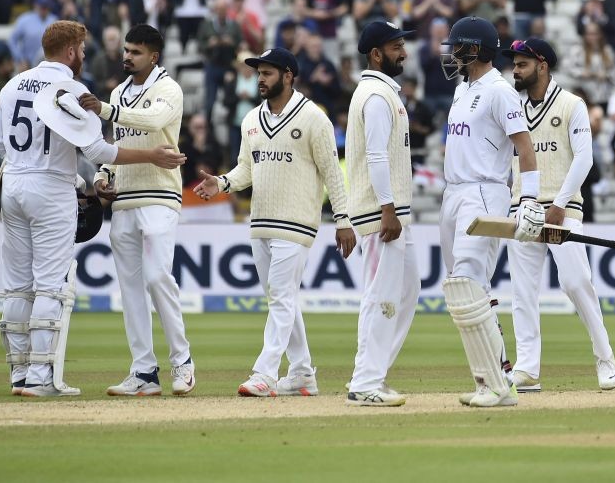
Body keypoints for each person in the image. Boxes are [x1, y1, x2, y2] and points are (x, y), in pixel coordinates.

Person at [0, 20, 185, 397]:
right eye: (80, 49)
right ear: (69, 51)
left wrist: (59, 172)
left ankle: (18, 374)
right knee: (50, 286)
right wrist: (149, 156)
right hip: (50, 191)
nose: (83, 55)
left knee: (16, 287)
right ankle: (42, 378)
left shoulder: (12, 84)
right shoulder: (71, 89)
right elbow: (98, 152)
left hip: (13, 188)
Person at [194, 47, 356, 397]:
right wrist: (221, 183)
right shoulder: (251, 119)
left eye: (267, 73)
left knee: (281, 297)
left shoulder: (314, 117)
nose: (260, 79)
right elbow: (246, 169)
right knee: (282, 300)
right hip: (260, 222)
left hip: (296, 223)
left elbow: (333, 172)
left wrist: (343, 219)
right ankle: (301, 374)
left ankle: (264, 373)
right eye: (257, 73)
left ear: (287, 75)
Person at [76, 25, 196, 397]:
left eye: (136, 52)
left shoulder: (168, 89)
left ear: (154, 56)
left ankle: (183, 361)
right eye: (126, 50)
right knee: (129, 289)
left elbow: (153, 122)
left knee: (158, 277)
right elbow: (120, 142)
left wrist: (107, 109)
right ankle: (144, 372)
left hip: (160, 194)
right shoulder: (119, 91)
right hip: (124, 200)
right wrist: (103, 176)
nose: (127, 56)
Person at [438, 16, 543, 408]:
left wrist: (529, 200)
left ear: (476, 49)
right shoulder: (462, 90)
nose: (452, 53)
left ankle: (499, 385)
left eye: (457, 46)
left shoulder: (500, 91)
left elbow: (525, 147)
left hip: (484, 193)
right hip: (454, 193)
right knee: (461, 291)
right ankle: (490, 380)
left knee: (469, 284)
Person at [503, 37, 615, 393]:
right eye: (514, 64)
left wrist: (560, 204)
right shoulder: (512, 106)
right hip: (523, 207)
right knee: (522, 291)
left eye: (522, 64)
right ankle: (527, 368)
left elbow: (584, 158)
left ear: (542, 65)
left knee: (575, 283)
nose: (515, 70)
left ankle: (605, 357)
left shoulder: (572, 104)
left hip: (562, 208)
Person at [344, 22, 419, 407]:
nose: (403, 52)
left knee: (406, 290)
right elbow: (375, 156)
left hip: (393, 211)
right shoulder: (375, 95)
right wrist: (388, 207)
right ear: (376, 54)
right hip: (380, 213)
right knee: (382, 294)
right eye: (396, 46)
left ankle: (371, 372)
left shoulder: (384, 93)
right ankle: (365, 381)